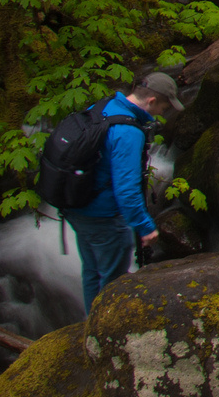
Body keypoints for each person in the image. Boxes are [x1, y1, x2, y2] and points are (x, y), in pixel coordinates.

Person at [63, 73, 183, 311]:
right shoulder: (128, 132)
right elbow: (126, 190)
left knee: (93, 271)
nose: (162, 113)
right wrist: (145, 227)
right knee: (112, 280)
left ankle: (90, 321)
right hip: (103, 216)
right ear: (150, 102)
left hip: (76, 204)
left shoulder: (104, 106)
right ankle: (103, 328)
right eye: (163, 106)